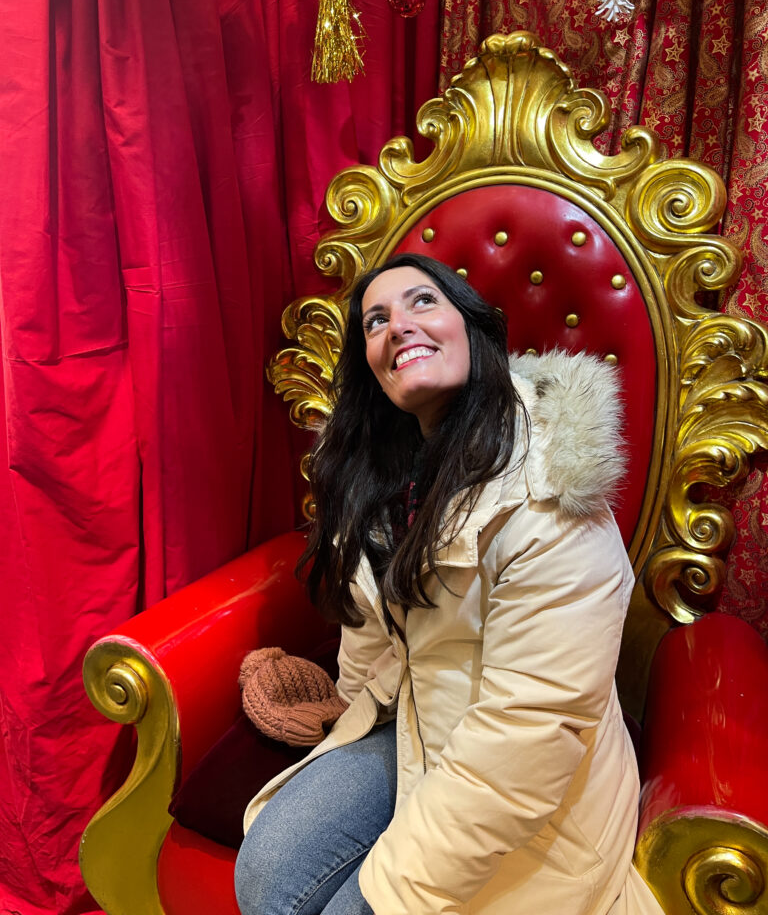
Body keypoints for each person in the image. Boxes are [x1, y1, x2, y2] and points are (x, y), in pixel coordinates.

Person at [234, 253, 664, 915]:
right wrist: (345, 714)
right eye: (376, 320)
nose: (398, 325)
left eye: (422, 303)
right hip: (410, 718)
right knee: (265, 875)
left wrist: (393, 890)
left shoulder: (551, 487)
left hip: (523, 771)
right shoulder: (386, 476)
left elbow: (528, 731)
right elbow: (370, 633)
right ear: (370, 366)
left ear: (472, 328)